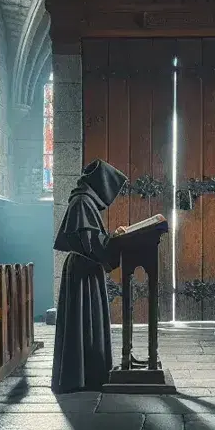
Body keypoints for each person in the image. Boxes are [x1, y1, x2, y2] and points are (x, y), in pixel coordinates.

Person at [50, 159, 127, 393]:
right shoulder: (83, 202)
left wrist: (112, 238)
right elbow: (91, 243)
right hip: (83, 270)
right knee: (83, 320)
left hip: (85, 269)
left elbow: (91, 241)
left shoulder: (85, 200)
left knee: (87, 319)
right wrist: (115, 239)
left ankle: (89, 375)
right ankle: (82, 378)